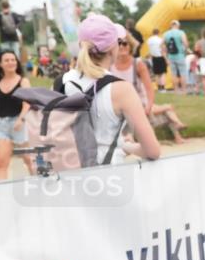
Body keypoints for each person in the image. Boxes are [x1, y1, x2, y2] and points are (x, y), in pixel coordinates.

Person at [62, 14, 161, 164]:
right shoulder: (121, 89)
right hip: (108, 177)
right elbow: (152, 151)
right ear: (111, 49)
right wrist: (127, 146)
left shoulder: (61, 82)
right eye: (118, 41)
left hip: (68, 174)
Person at [110, 28, 187, 143]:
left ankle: (139, 139)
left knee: (147, 114)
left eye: (125, 43)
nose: (122, 46)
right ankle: (169, 117)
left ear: (130, 45)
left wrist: (148, 107)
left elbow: (149, 89)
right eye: (118, 43)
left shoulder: (138, 64)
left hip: (140, 103)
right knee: (162, 113)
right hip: (122, 107)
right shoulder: (110, 66)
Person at [0, 50, 33, 179]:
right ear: (0, 64)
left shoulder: (23, 81)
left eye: (13, 60)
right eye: (7, 60)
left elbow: (28, 103)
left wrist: (20, 119)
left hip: (20, 124)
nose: (11, 62)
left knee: (29, 160)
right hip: (2, 125)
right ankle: (0, 195)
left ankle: (40, 186)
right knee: (1, 163)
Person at [162, 19, 190, 93]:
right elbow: (185, 43)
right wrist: (185, 50)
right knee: (182, 73)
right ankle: (184, 91)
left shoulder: (166, 34)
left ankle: (176, 90)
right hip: (180, 55)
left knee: (173, 74)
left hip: (171, 57)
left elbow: (162, 45)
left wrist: (165, 57)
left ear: (171, 25)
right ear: (178, 25)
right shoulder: (181, 33)